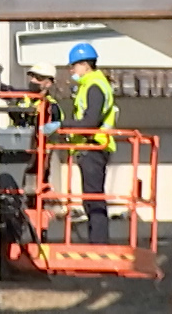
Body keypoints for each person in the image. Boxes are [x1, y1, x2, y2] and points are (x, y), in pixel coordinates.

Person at [40, 42, 117, 244]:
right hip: (89, 148)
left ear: (84, 65)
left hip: (94, 147)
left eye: (74, 66)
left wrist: (61, 125)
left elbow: (90, 122)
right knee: (90, 198)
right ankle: (97, 242)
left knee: (94, 198)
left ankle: (99, 245)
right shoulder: (90, 85)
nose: (72, 71)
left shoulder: (94, 86)